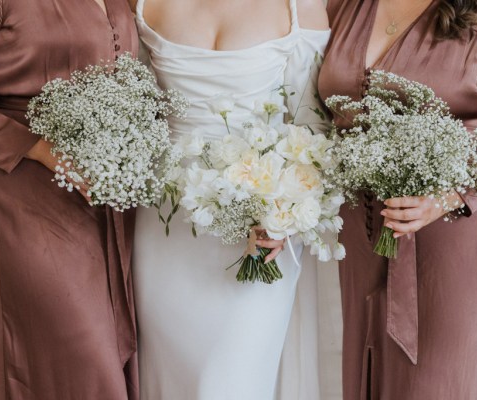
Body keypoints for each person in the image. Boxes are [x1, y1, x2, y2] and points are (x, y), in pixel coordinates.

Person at [319, 0, 477, 398]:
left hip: (460, 225)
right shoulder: (344, 5)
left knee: (445, 378)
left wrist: (448, 195)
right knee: (371, 364)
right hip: (365, 223)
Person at [130, 0, 331, 398]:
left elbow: (314, 127)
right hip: (165, 223)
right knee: (169, 372)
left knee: (233, 378)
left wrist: (285, 215)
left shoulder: (298, 5)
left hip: (260, 225)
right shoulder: (141, 4)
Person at [0, 0, 140, 398]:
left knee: (113, 345)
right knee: (79, 351)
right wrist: (37, 147)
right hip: (19, 184)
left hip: (106, 192)